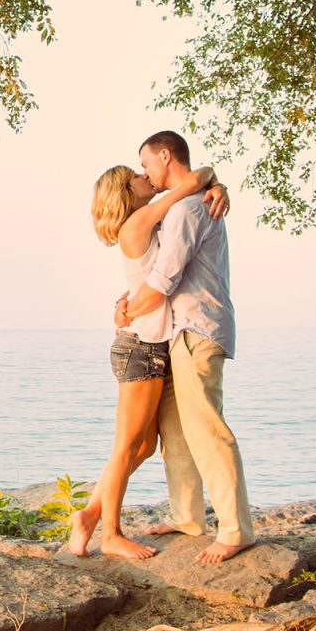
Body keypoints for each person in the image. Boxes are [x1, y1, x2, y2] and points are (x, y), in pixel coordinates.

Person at [68, 160, 226, 560]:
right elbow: (192, 179)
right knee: (127, 447)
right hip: (139, 349)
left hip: (151, 347)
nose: (146, 178)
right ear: (126, 192)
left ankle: (88, 516)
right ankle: (111, 534)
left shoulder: (147, 224)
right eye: (137, 176)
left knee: (142, 448)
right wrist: (210, 180)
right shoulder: (137, 224)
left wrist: (219, 187)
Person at [115, 130, 254, 564]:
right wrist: (210, 178)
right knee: (176, 435)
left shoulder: (189, 208)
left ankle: (235, 530)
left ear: (164, 155)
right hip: (178, 333)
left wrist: (124, 314)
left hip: (197, 329)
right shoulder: (184, 202)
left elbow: (162, 281)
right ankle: (187, 516)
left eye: (147, 165)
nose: (146, 174)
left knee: (207, 429)